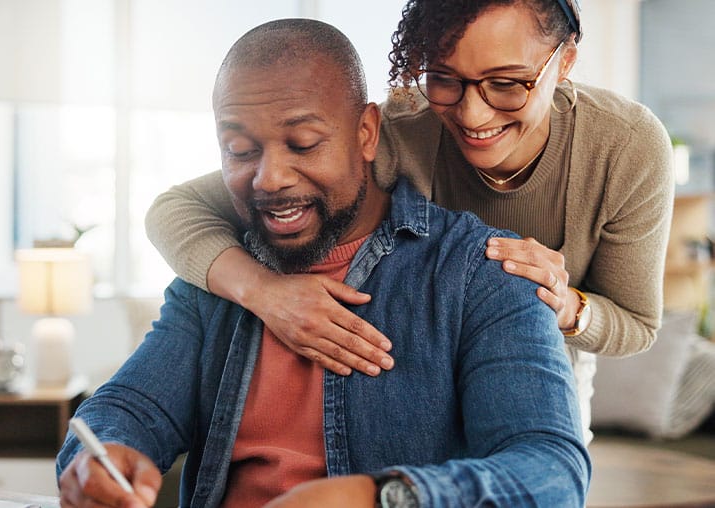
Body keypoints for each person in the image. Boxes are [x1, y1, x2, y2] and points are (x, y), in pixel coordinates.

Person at [57, 18, 589, 508]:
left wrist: (380, 496)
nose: (269, 178)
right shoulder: (216, 277)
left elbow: (550, 473)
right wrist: (97, 458)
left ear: (366, 134)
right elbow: (128, 408)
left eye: (304, 143)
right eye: (239, 150)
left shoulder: (482, 272)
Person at [144, 0, 675, 443]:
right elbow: (176, 210)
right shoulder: (402, 126)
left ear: (564, 63)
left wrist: (566, 307)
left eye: (508, 85)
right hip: (417, 367)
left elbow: (637, 324)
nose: (472, 115)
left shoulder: (625, 147)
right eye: (445, 81)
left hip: (542, 361)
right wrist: (266, 292)